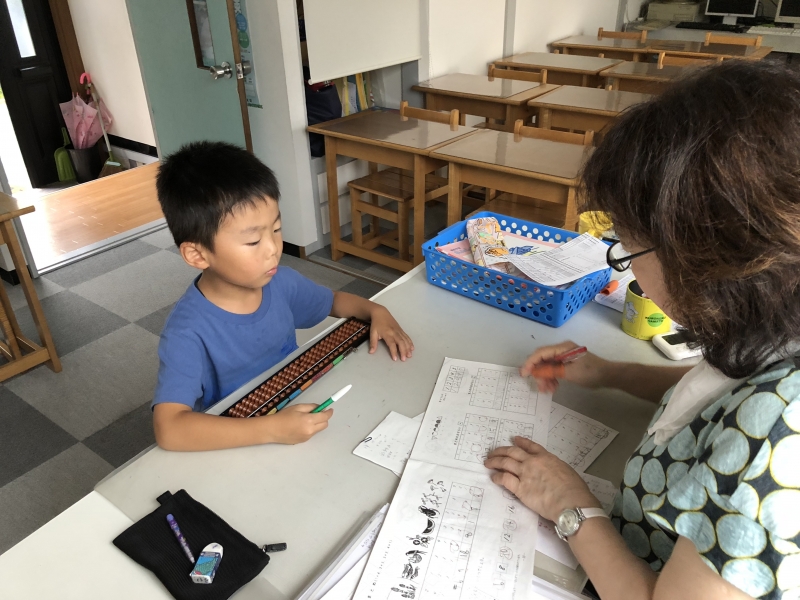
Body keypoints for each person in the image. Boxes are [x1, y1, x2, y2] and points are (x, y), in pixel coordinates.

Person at [485, 60, 800, 600]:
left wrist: (569, 506)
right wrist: (612, 373)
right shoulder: (772, 321)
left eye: (631, 249)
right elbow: (726, 395)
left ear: (707, 255)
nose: (629, 268)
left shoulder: (780, 438)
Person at [151, 141, 413, 451]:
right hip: (237, 438)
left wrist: (374, 310)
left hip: (292, 406)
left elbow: (333, 301)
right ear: (197, 255)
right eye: (253, 241)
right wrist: (272, 429)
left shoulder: (280, 282)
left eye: (276, 229)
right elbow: (169, 429)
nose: (274, 249)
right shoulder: (186, 332)